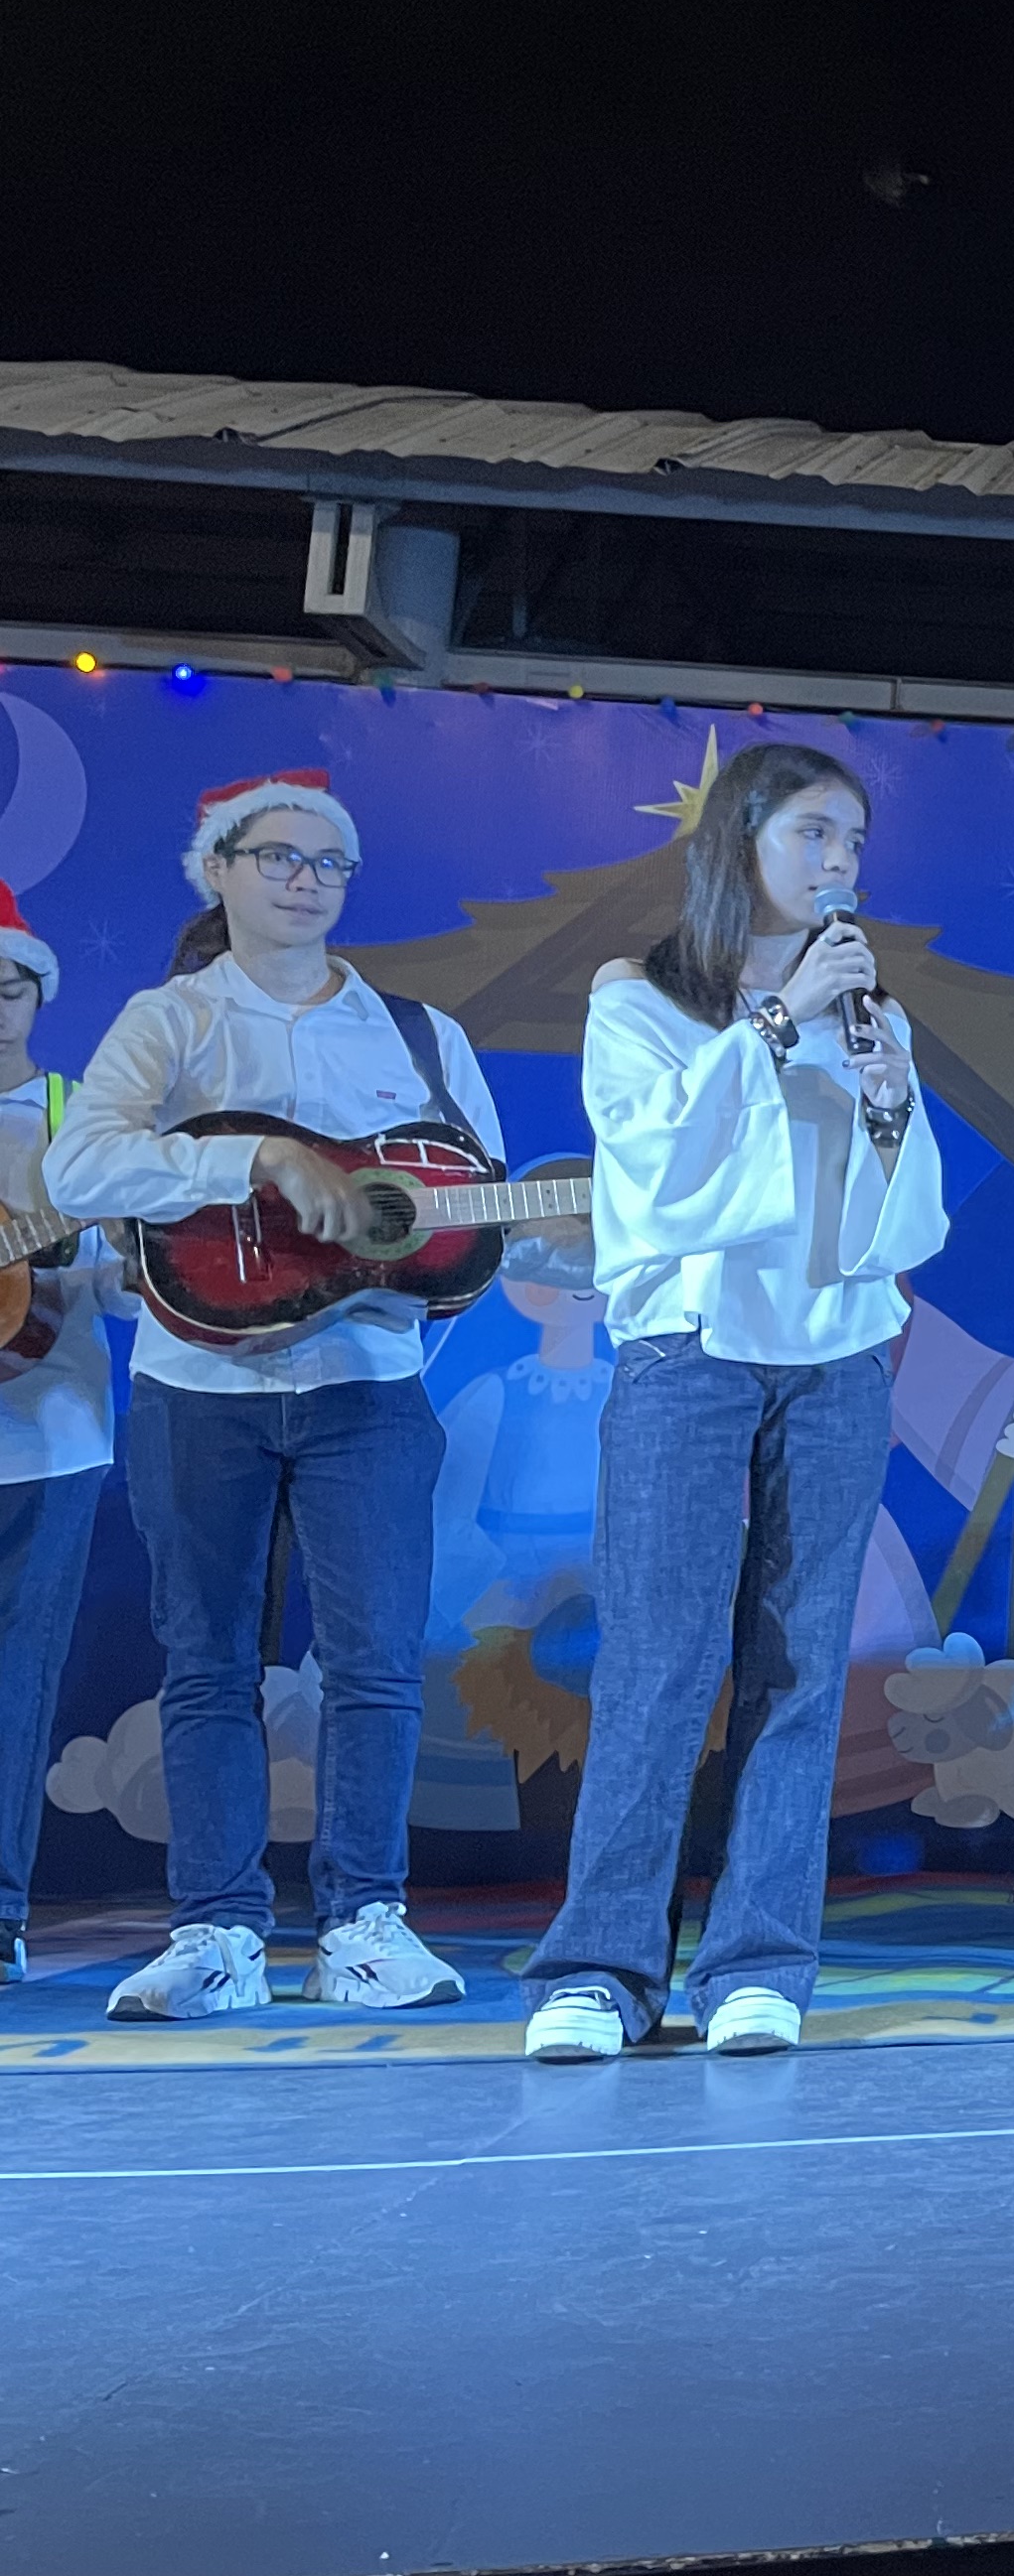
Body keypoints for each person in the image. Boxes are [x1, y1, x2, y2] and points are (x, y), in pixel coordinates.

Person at [48, 769, 560, 2020]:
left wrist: (568, 1241)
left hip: (367, 1388)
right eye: (275, 855)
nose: (303, 879)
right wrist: (264, 1157)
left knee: (375, 1664)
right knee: (207, 1661)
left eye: (328, 862)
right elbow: (80, 1167)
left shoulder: (418, 1036)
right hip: (196, 1384)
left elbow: (477, 1215)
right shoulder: (169, 1022)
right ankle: (217, 1931)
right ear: (218, 870)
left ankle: (365, 1924)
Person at [521, 744, 946, 2061]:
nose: (839, 862)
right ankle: (599, 1970)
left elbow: (900, 1215)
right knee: (659, 1660)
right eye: (815, 832)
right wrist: (774, 1022)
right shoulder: (641, 997)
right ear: (741, 839)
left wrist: (888, 1105)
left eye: (854, 841)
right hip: (690, 1356)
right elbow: (652, 1165)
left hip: (834, 1360)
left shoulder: (869, 1013)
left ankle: (760, 1962)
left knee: (803, 1666)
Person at [0, 882, 113, 1986]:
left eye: (11, 987)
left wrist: (97, 1260)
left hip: (53, 1437)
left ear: (38, 995)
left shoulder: (81, 1120)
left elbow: (126, 1284)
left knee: (17, 1681)